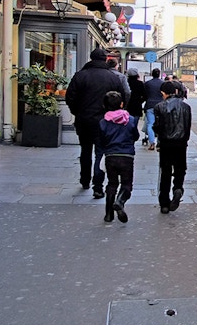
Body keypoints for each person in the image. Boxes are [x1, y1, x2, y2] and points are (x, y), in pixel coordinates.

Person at [65, 48, 128, 196]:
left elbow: (70, 97)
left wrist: (78, 112)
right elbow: (122, 98)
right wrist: (114, 115)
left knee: (85, 151)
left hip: (84, 120)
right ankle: (98, 186)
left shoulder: (80, 75)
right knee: (100, 152)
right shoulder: (113, 77)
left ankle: (85, 179)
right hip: (105, 122)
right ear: (105, 59)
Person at [97, 91, 138, 223]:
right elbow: (136, 136)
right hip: (127, 156)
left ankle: (108, 214)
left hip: (111, 156)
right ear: (121, 104)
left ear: (105, 106)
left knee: (111, 184)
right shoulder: (130, 120)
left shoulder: (103, 122)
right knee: (126, 184)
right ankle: (120, 201)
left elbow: (101, 140)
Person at [153, 80, 192, 213]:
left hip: (166, 144)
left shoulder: (159, 107)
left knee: (166, 172)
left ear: (163, 93)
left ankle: (164, 203)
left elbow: (157, 127)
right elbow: (187, 127)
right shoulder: (186, 107)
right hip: (181, 144)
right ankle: (178, 189)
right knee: (180, 169)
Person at [142, 68, 165, 150]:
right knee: (161, 124)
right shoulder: (163, 83)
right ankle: (159, 142)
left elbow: (144, 94)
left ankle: (152, 143)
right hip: (161, 105)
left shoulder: (147, 83)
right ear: (159, 74)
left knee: (150, 124)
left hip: (150, 105)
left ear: (152, 74)